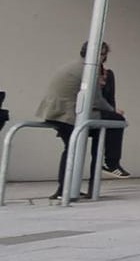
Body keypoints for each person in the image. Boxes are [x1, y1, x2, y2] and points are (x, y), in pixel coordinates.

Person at [36, 41, 119, 200]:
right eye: (103, 56)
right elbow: (95, 99)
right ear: (98, 55)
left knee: (72, 147)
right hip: (68, 114)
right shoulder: (88, 70)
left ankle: (64, 188)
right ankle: (111, 162)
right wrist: (113, 110)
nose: (104, 59)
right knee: (115, 121)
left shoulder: (74, 66)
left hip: (56, 112)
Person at [93, 47, 130, 179]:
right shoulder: (84, 71)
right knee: (117, 121)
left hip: (101, 112)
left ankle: (111, 164)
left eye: (103, 54)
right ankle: (112, 163)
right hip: (87, 112)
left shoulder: (108, 74)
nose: (101, 57)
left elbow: (110, 99)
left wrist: (112, 110)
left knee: (117, 121)